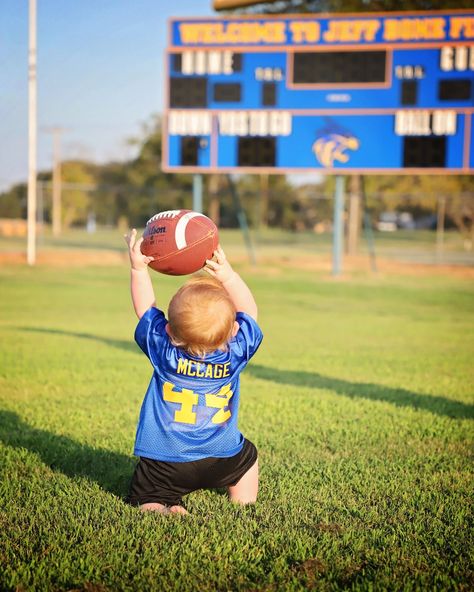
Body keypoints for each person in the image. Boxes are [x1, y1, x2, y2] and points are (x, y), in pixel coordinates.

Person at [124, 229, 263, 515]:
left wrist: (139, 269)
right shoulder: (236, 353)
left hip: (166, 459)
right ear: (235, 330)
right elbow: (250, 312)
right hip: (222, 457)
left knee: (148, 495)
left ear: (169, 331)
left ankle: (159, 504)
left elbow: (145, 310)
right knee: (248, 458)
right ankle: (244, 501)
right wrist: (228, 277)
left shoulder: (164, 352)